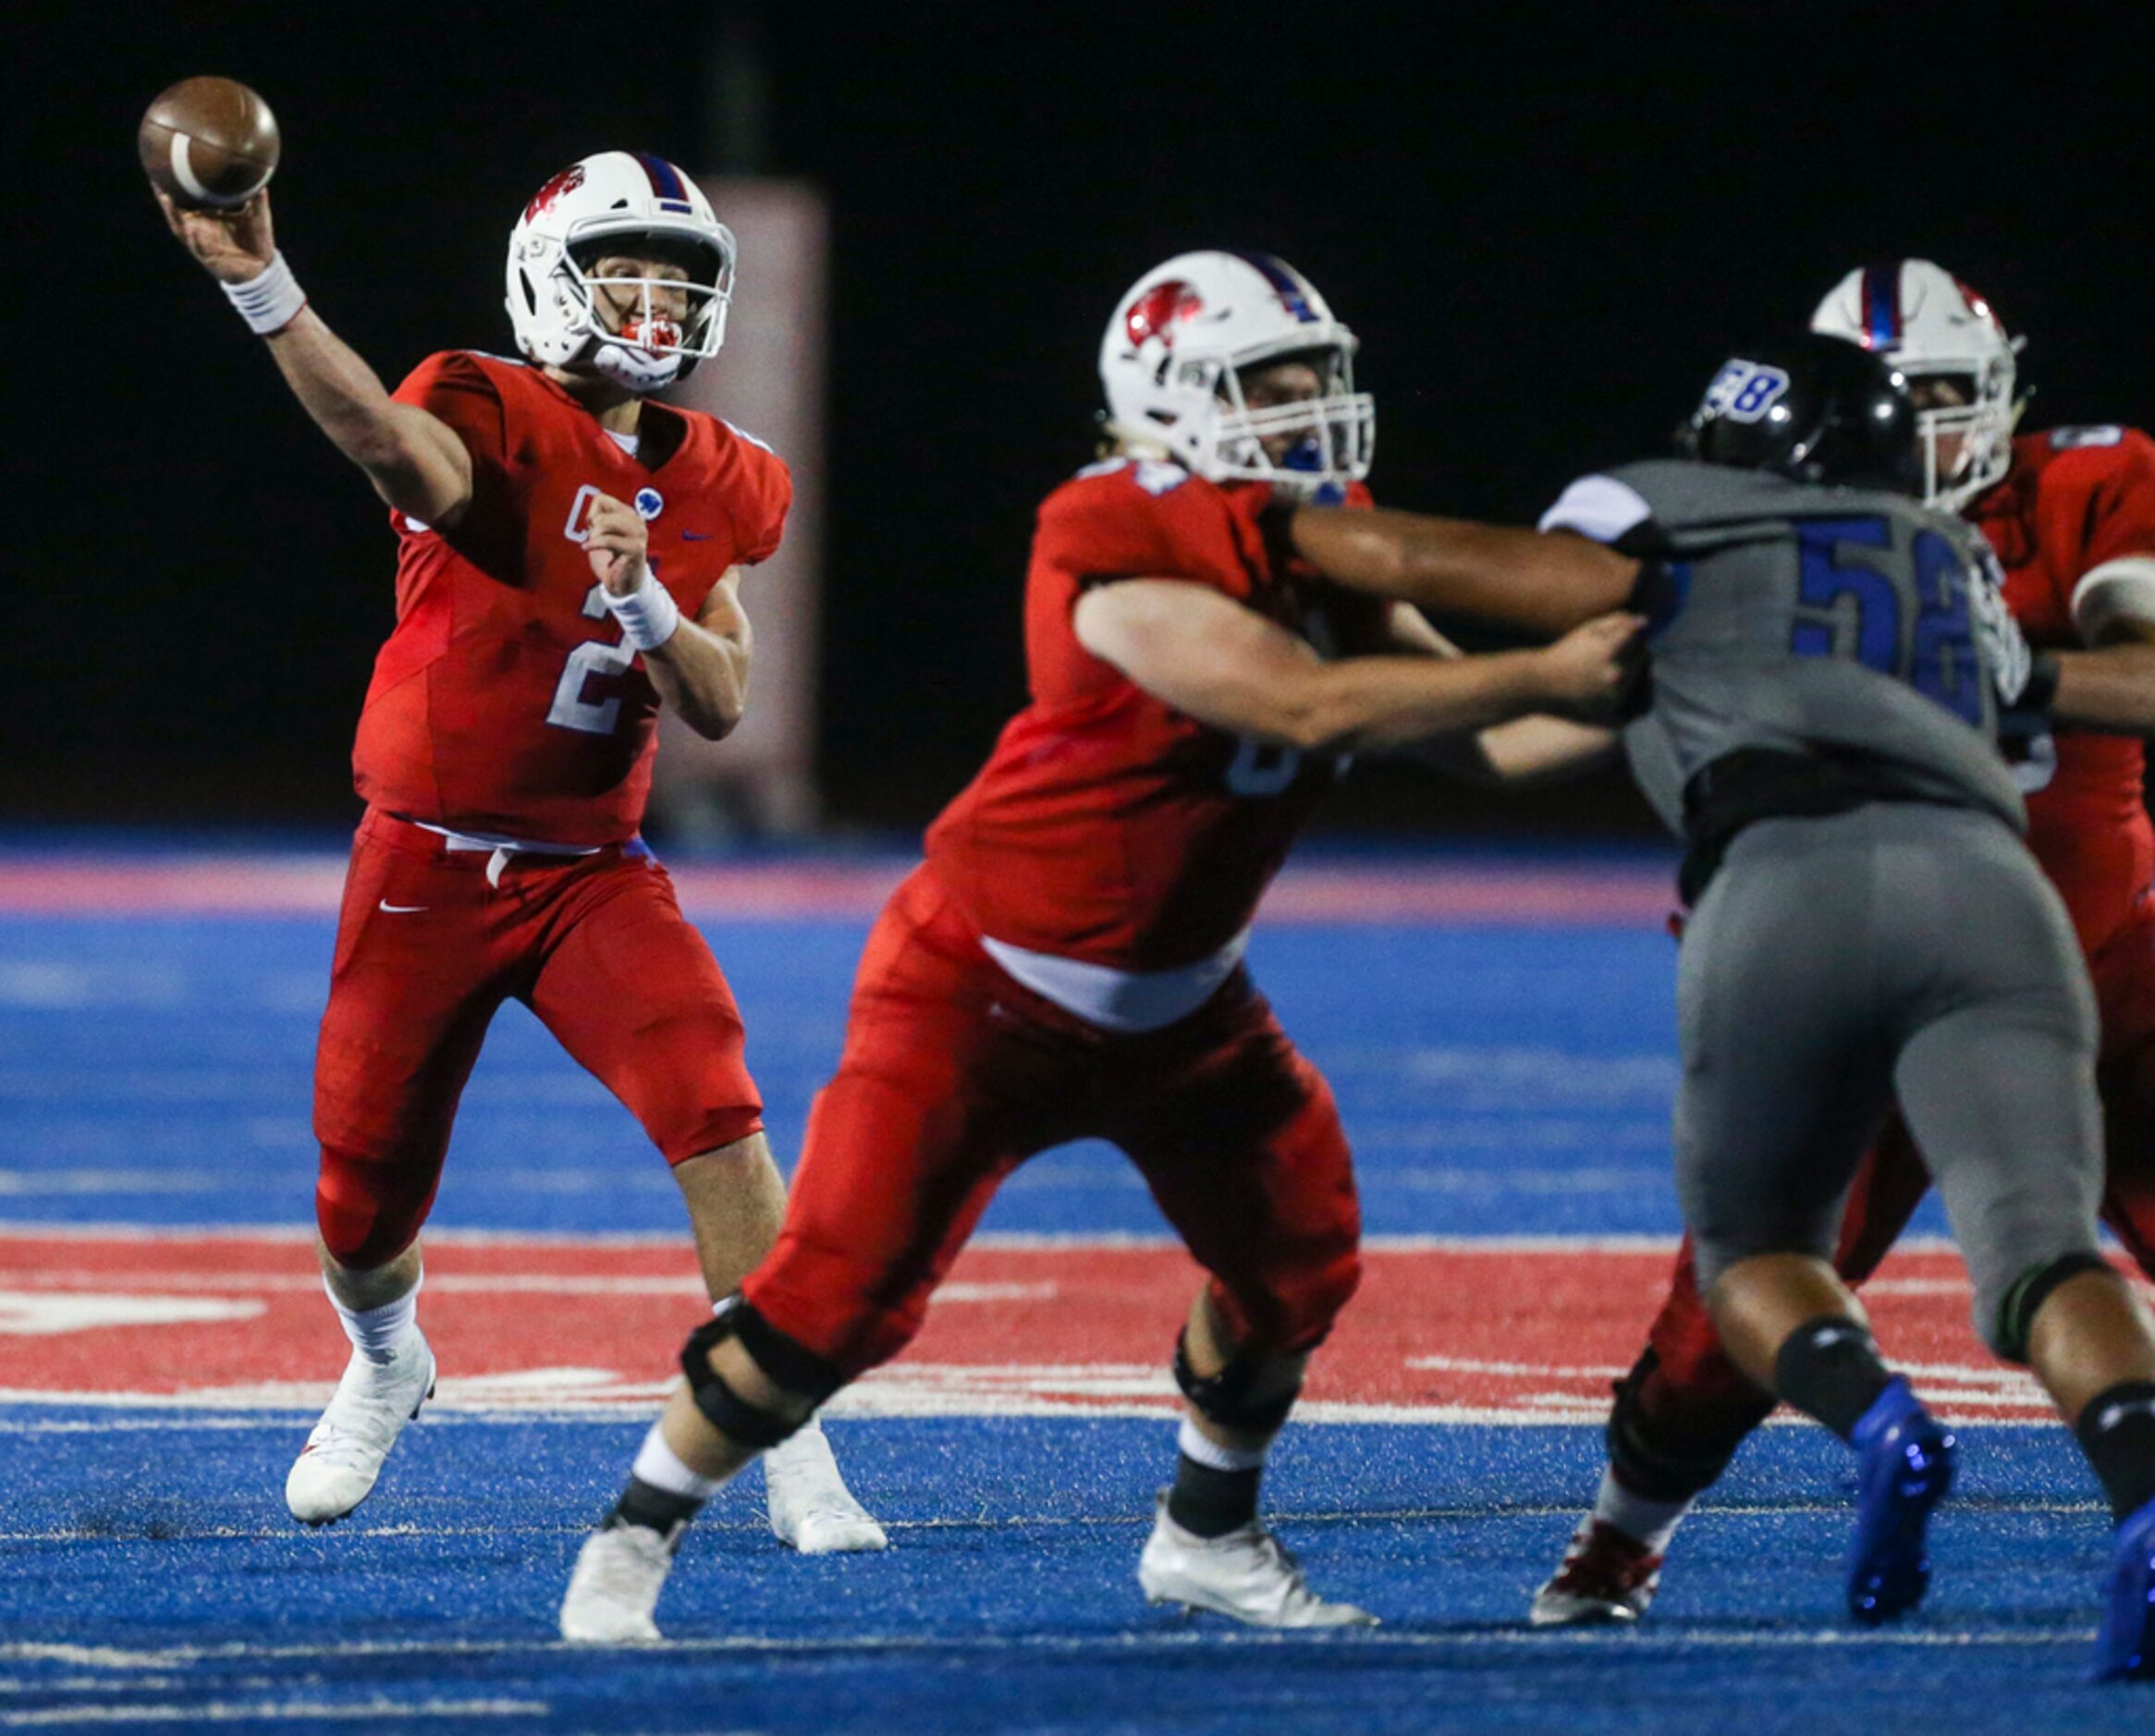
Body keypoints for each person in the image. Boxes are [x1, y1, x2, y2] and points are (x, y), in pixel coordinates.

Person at [553, 249, 1645, 1642]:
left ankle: (1206, 1534)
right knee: (834, 1308)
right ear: (1172, 392)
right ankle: (631, 1539)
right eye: (1272, 383)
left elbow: (1480, 732)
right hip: (986, 986)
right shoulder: (1108, 525)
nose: (1308, 407)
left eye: (1318, 379)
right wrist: (1560, 662)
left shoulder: (1312, 527)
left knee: (1299, 1261)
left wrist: (1668, 705)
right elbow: (1301, 705)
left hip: (1186, 1006)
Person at [1282, 331, 2155, 1681]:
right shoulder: (1953, 565)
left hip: (1792, 878)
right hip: (2001, 900)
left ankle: (1873, 1422)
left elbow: (1441, 568)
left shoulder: (1678, 517)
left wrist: (1262, 523)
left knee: (1748, 1250)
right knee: (2047, 1251)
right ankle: (2145, 1489)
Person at [154, 150, 882, 1552]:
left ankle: (787, 1432)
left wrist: (649, 605)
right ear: (552, 273)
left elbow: (723, 700)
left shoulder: (730, 478)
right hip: (423, 862)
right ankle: (385, 1362)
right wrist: (261, 283)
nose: (659, 302)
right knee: (359, 1196)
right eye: (630, 269)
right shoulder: (481, 402)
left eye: (683, 278)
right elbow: (383, 443)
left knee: (714, 1103)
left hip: (590, 874)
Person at [1526, 265, 2155, 1652]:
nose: (1924, 431)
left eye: (1946, 397)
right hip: (1991, 945)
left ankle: (1672, 1515)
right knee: (1729, 1318)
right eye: (1899, 400)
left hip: (2079, 964)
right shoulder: (1797, 528)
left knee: (1760, 1258)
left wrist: (1997, 677)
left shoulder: (2076, 485)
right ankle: (1625, 1536)